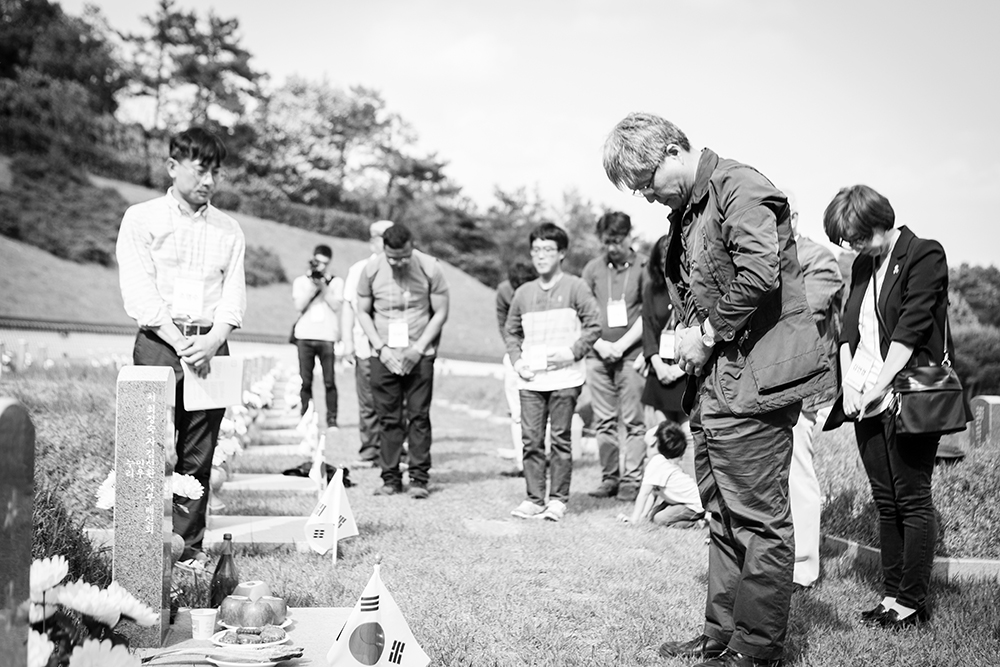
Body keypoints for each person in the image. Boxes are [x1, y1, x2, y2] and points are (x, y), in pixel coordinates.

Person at [603, 112, 832, 667]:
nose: (645, 198)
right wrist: (685, 338)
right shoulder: (684, 214)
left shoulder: (738, 185)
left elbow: (761, 272)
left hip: (754, 383)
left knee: (758, 520)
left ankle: (755, 650)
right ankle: (720, 639)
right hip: (714, 390)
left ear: (671, 152)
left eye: (645, 183)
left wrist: (705, 334)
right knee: (722, 517)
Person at [821, 184, 970, 628]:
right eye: (844, 241)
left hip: (907, 394)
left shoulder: (924, 253)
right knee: (886, 501)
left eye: (856, 237)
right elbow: (849, 329)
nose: (851, 247)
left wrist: (878, 385)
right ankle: (890, 595)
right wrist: (850, 384)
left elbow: (911, 328)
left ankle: (911, 602)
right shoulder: (865, 265)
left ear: (880, 221)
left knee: (912, 498)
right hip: (862, 395)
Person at [116, 127, 246, 562]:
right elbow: (139, 291)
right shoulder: (142, 217)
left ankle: (188, 552)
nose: (209, 180)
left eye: (216, 172)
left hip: (211, 345)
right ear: (173, 167)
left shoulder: (230, 230)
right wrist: (178, 340)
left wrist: (212, 341)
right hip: (158, 344)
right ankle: (140, 550)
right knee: (146, 447)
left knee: (199, 450)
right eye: (200, 169)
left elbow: (233, 296)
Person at [504, 223, 601, 522]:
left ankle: (558, 500)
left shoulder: (576, 287)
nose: (540, 256)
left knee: (560, 439)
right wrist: (517, 360)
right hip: (530, 380)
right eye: (536, 249)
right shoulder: (522, 293)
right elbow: (511, 332)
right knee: (531, 440)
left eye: (547, 249)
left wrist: (573, 352)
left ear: (561, 253)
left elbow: (594, 326)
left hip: (565, 379)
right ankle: (534, 499)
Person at [355, 223, 449, 499]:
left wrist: (418, 349)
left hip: (419, 355)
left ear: (412, 246)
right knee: (388, 418)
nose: (399, 262)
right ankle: (390, 478)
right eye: (393, 257)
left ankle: (419, 478)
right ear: (383, 249)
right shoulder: (370, 269)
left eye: (404, 256)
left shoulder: (431, 267)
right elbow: (362, 310)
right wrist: (381, 348)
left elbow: (441, 312)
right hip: (383, 354)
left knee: (418, 416)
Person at [784, 192, 845, 588]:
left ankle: (804, 569)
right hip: (768, 385)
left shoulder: (818, 258)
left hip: (804, 387)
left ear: (794, 217)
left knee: (796, 474)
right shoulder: (760, 256)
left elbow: (806, 313)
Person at [581, 212, 648, 502]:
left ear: (629, 236)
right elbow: (581, 312)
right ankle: (610, 478)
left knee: (634, 421)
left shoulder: (645, 266)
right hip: (598, 357)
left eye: (617, 241)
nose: (612, 247)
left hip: (631, 355)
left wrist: (621, 345)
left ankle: (632, 480)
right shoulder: (593, 269)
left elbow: (650, 314)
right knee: (604, 421)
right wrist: (598, 345)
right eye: (607, 242)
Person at [639, 234, 693, 477]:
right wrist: (657, 364)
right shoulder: (652, 289)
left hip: (686, 369)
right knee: (661, 436)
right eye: (661, 259)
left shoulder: (692, 288)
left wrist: (681, 367)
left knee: (689, 438)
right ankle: (663, 491)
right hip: (659, 372)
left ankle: (692, 496)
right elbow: (648, 328)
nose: (665, 262)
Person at [342, 220, 395, 467]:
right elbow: (349, 308)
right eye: (381, 238)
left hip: (393, 348)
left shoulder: (399, 268)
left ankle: (395, 451)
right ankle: (370, 450)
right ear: (372, 241)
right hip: (365, 345)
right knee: (368, 401)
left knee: (395, 401)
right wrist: (347, 342)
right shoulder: (359, 269)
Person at [291, 244, 344, 430]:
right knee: (305, 380)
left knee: (329, 380)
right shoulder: (301, 281)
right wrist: (313, 287)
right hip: (305, 336)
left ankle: (332, 419)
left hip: (327, 336)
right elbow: (299, 305)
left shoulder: (336, 282)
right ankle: (305, 415)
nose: (321, 266)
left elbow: (337, 306)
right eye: (318, 262)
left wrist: (323, 286)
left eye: (325, 263)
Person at [495, 259, 538, 477]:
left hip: (540, 352)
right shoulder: (503, 292)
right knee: (517, 412)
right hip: (515, 353)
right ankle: (523, 463)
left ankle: (543, 458)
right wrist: (516, 353)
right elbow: (504, 326)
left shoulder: (541, 288)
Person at [618, 420, 704, 528]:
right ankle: (695, 520)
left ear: (653, 440)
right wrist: (643, 515)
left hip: (694, 505)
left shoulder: (657, 463)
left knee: (659, 519)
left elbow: (644, 494)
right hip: (682, 502)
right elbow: (652, 493)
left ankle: (698, 523)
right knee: (652, 516)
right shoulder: (661, 462)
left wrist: (634, 519)